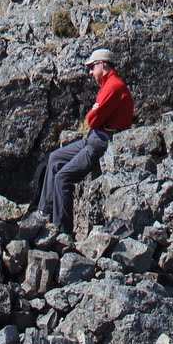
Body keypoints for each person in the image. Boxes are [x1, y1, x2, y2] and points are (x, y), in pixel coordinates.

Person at [34, 48, 133, 236]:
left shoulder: (113, 87)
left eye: (92, 67)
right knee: (54, 158)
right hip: (94, 137)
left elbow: (92, 119)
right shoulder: (108, 85)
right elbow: (93, 118)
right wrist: (93, 114)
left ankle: (62, 232)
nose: (90, 72)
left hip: (101, 141)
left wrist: (93, 114)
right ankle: (44, 212)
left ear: (102, 64)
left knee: (62, 178)